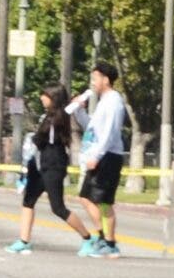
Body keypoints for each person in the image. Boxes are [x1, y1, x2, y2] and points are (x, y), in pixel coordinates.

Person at [9, 85, 91, 254]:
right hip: (40, 164)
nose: (41, 98)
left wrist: (79, 101)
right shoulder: (47, 117)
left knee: (58, 208)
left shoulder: (60, 116)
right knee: (28, 200)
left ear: (54, 98)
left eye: (45, 95)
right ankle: (24, 241)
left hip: (54, 165)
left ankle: (88, 239)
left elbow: (41, 138)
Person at [66, 62, 129, 257]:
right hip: (99, 154)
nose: (92, 82)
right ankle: (103, 238)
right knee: (86, 198)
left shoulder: (113, 101)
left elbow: (109, 132)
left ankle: (109, 243)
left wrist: (97, 156)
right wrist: (79, 111)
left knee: (104, 201)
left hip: (108, 156)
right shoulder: (104, 101)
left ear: (106, 80)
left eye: (95, 78)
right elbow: (93, 128)